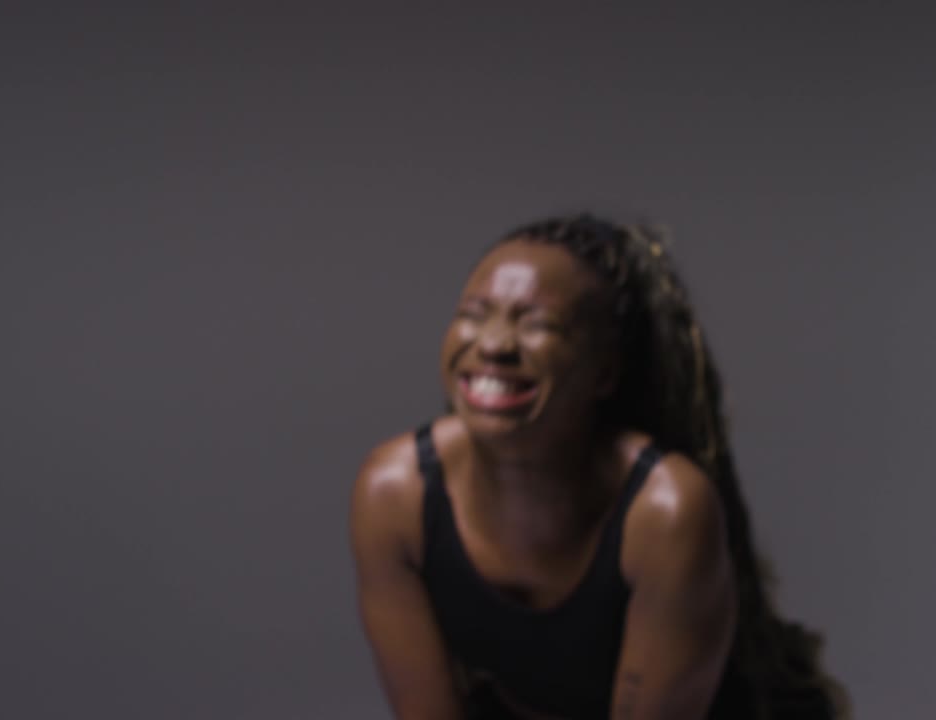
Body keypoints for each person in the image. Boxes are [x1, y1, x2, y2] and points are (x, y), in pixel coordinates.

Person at [349, 214, 849, 719]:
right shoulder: (395, 493)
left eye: (536, 323)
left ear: (605, 371)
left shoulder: (664, 513)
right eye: (474, 314)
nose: (494, 344)